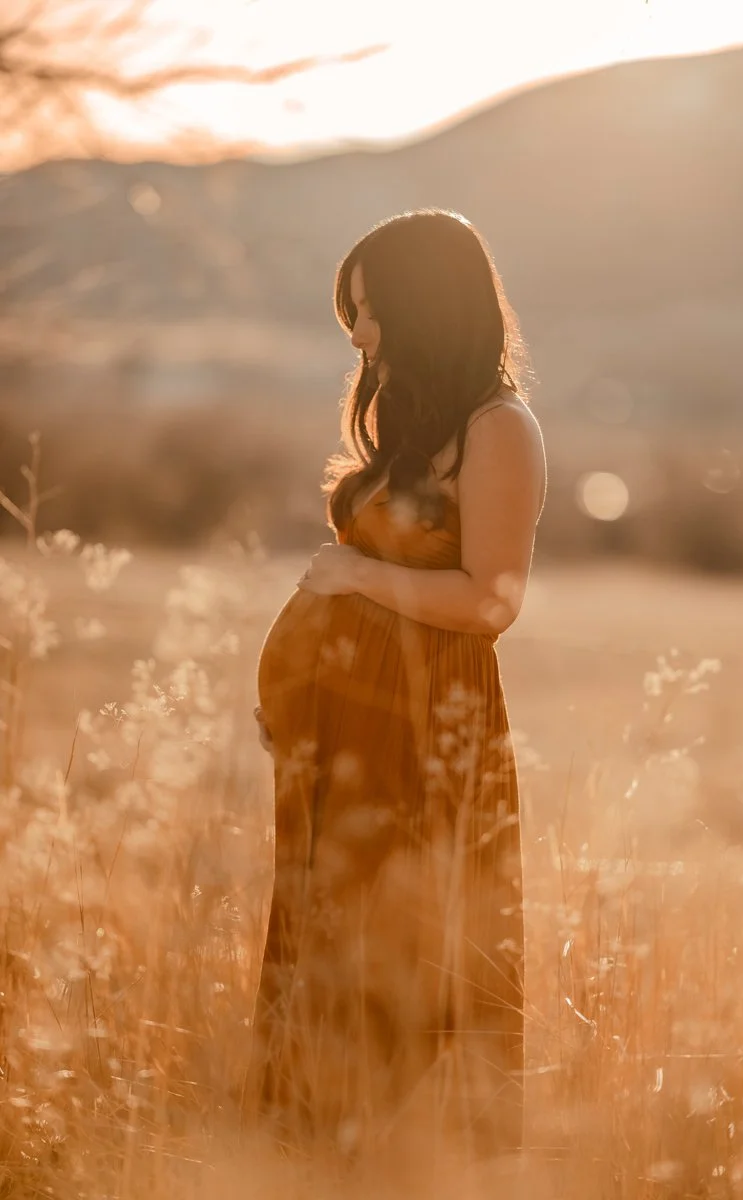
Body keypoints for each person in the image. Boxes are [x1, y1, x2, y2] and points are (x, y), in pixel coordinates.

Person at [249, 209, 546, 1159]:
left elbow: (493, 601)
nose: (359, 335)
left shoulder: (498, 429)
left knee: (408, 952)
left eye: (371, 313)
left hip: (425, 734)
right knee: (327, 947)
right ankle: (311, 1156)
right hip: (342, 741)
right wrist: (303, 694)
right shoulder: (408, 429)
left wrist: (356, 577)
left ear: (424, 308)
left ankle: (401, 1165)